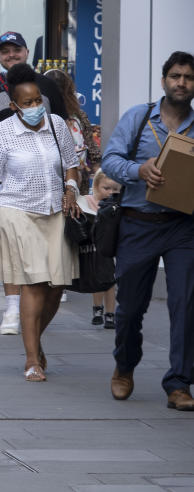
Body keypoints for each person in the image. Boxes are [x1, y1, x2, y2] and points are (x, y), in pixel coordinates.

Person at [0, 63, 81, 382]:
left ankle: (35, 338)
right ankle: (32, 359)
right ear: (14, 106)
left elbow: (72, 167)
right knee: (34, 282)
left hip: (55, 211)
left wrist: (71, 188)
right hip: (16, 211)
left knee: (57, 285)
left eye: (37, 101)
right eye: (27, 103)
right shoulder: (1, 133)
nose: (34, 108)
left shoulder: (57, 125)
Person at [101, 50, 194, 410]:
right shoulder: (139, 117)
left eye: (188, 77)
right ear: (163, 81)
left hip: (182, 227)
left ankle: (179, 383)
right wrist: (139, 170)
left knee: (185, 304)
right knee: (129, 308)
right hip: (138, 224)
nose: (182, 83)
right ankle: (124, 366)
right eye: (176, 76)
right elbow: (110, 159)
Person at [0, 33, 68, 335]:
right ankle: (13, 306)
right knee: (15, 255)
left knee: (46, 274)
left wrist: (69, 185)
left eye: (16, 50)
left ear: (26, 52)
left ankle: (31, 323)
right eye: (5, 51)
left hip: (47, 190)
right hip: (6, 188)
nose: (11, 55)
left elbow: (63, 132)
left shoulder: (48, 86)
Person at [77, 169, 122, 330]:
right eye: (106, 188)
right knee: (97, 279)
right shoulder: (85, 201)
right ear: (96, 186)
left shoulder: (117, 205)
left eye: (115, 189)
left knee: (109, 281)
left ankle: (109, 313)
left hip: (108, 249)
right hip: (91, 248)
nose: (111, 192)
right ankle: (97, 308)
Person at [45, 68, 94, 191]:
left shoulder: (41, 116)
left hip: (48, 180)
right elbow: (92, 148)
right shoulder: (78, 115)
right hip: (78, 180)